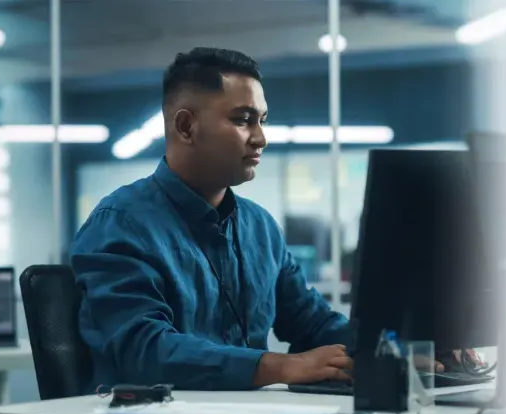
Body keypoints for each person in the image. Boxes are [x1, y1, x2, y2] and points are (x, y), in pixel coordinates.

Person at [70, 48, 354, 391]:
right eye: (242, 120)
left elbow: (310, 323)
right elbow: (144, 351)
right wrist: (280, 366)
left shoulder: (260, 227)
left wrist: (387, 350)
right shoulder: (120, 224)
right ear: (186, 126)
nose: (261, 138)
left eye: (262, 120)